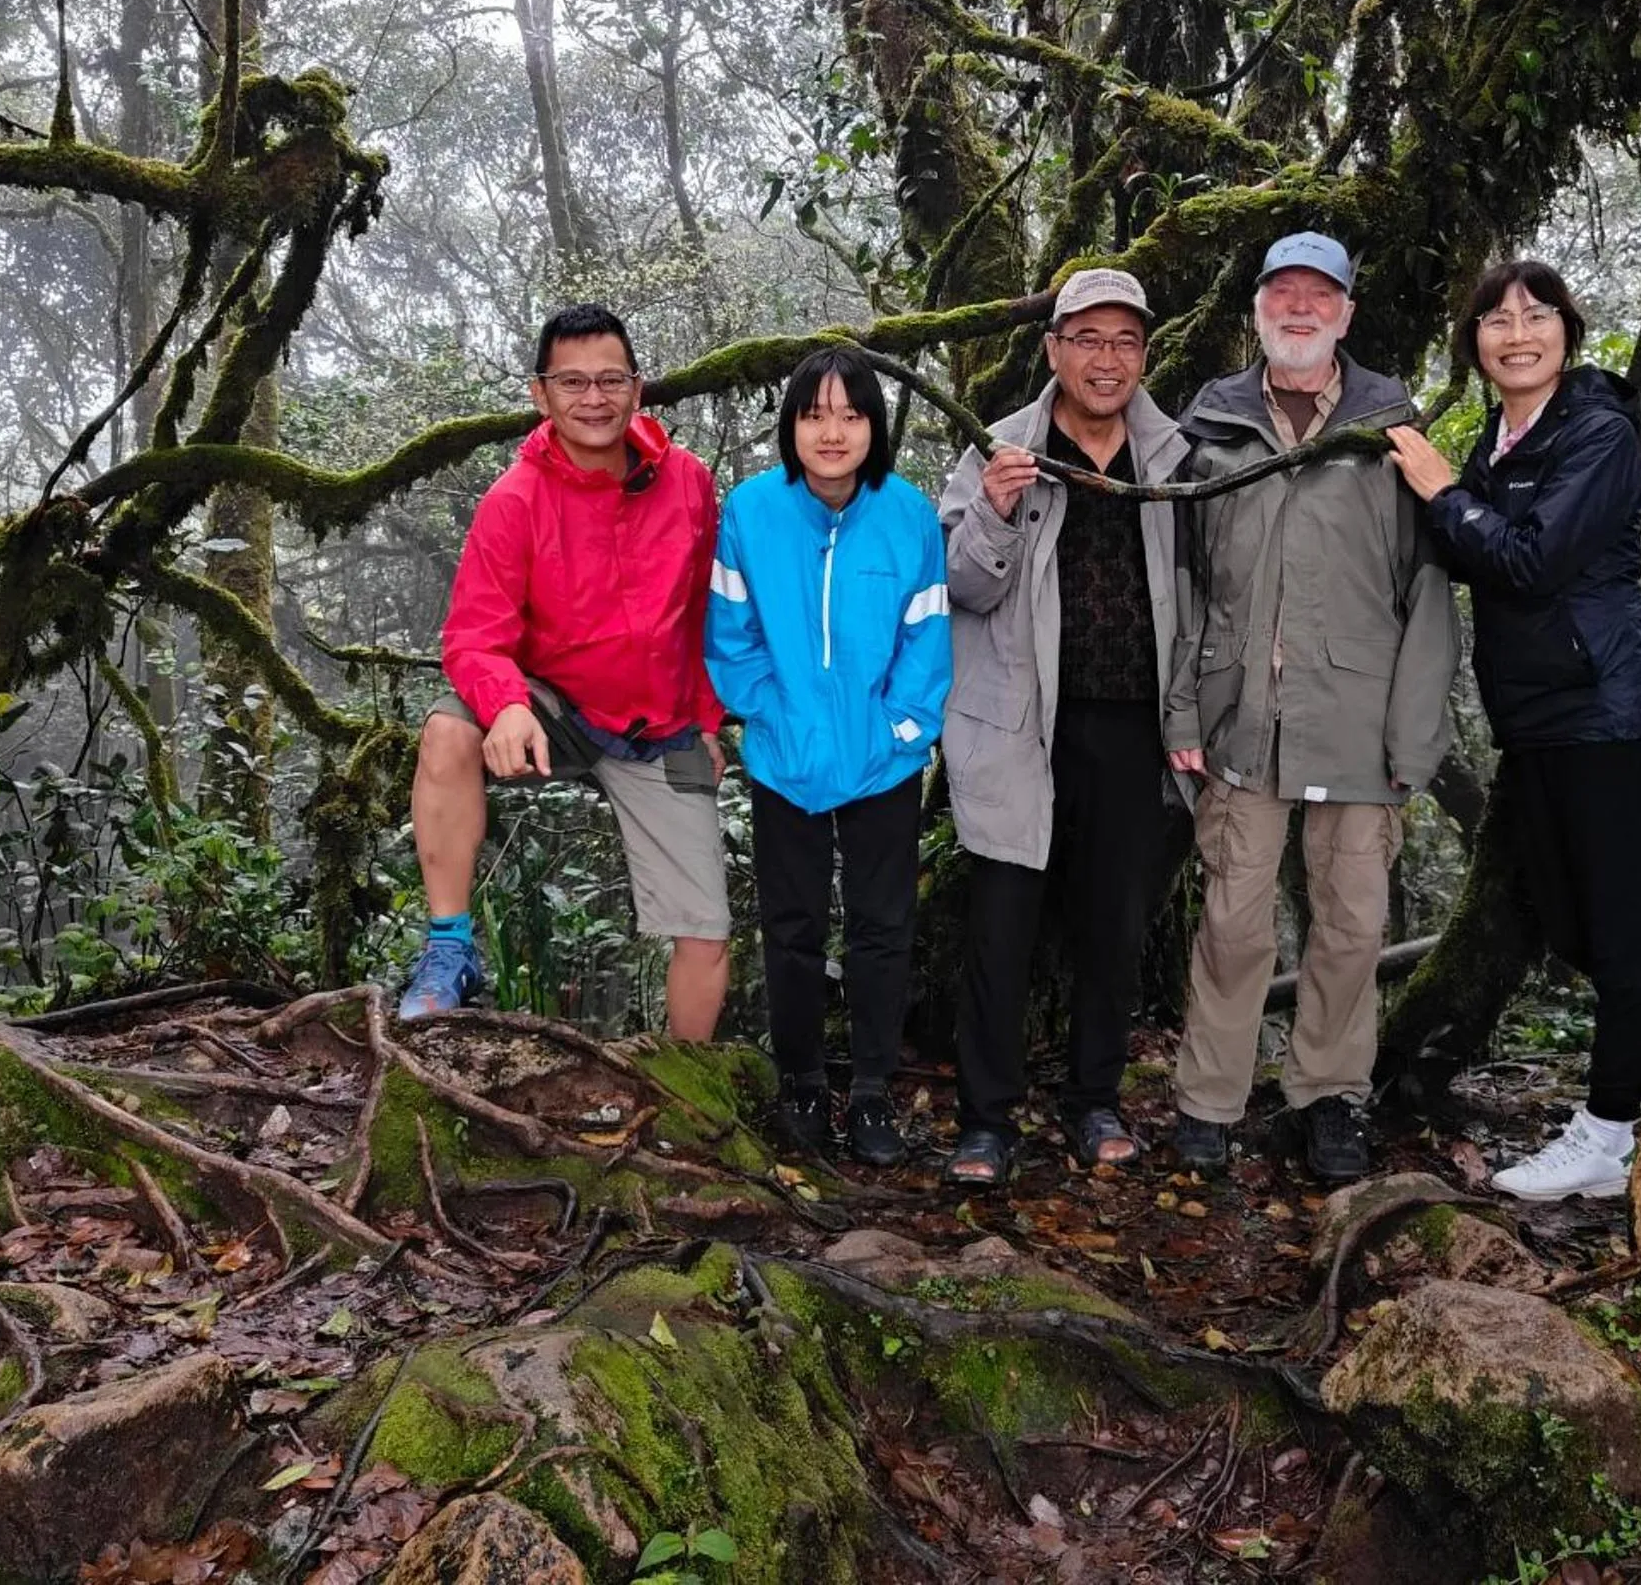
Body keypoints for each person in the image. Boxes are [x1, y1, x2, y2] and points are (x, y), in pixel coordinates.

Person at [1385, 259, 1641, 1202]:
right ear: (1477, 347)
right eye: (1494, 319)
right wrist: (1452, 501)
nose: (1516, 331)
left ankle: (1609, 1134)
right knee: (1578, 928)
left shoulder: (1600, 433)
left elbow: (1530, 565)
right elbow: (1471, 558)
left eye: (1536, 315)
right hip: (1537, 721)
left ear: (1568, 332)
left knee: (1622, 934)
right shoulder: (1500, 438)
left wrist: (1444, 493)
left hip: (1608, 714)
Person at [1162, 232, 1459, 1184]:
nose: (1298, 308)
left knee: (1351, 925)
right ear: (1256, 309)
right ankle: (1210, 1099)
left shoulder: (1392, 434)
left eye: (1318, 295)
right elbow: (1184, 588)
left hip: (1361, 729)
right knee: (1234, 924)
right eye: (1281, 292)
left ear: (1346, 314)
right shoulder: (1209, 431)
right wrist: (1179, 716)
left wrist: (1416, 739)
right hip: (1240, 721)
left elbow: (1429, 596)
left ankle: (1330, 1096)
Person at [400, 304, 731, 1031]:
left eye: (611, 379)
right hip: (558, 708)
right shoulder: (513, 501)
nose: (594, 398)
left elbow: (712, 609)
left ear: (638, 389)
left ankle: (684, 1100)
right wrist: (507, 703)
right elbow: (473, 635)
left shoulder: (687, 484)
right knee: (447, 732)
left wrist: (710, 719)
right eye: (572, 381)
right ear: (540, 393)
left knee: (706, 934)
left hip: (661, 724)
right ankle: (450, 948)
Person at [937, 267, 1194, 1188]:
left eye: (1125, 341)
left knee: (1112, 929)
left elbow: (1199, 597)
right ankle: (986, 1121)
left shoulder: (1174, 455)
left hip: (1132, 731)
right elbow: (961, 587)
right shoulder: (998, 448)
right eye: (1087, 339)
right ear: (1052, 350)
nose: (1106, 359)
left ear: (1143, 356)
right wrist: (998, 510)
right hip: (1015, 726)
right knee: (1001, 928)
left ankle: (1095, 1102)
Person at [706, 349, 951, 1165]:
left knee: (882, 928)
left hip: (883, 760)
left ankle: (874, 1090)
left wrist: (896, 734)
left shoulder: (909, 515)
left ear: (874, 425)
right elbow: (732, 638)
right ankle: (802, 1081)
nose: (832, 431)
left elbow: (927, 640)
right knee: (793, 927)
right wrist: (768, 716)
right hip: (784, 756)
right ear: (792, 426)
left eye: (850, 414)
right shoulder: (751, 511)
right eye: (814, 414)